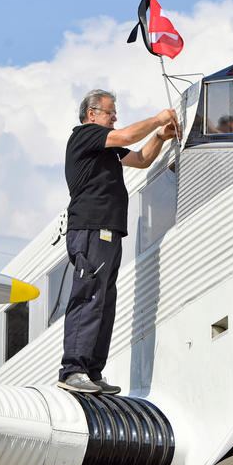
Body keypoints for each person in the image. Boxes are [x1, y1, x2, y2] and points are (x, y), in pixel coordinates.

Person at [58, 89, 179, 394]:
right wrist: (157, 119)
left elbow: (141, 160)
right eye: (110, 113)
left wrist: (161, 137)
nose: (114, 119)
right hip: (90, 227)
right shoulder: (85, 135)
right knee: (89, 296)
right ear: (92, 114)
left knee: (104, 301)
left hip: (109, 229)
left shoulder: (105, 147)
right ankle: (72, 369)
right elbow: (126, 137)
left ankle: (92, 370)